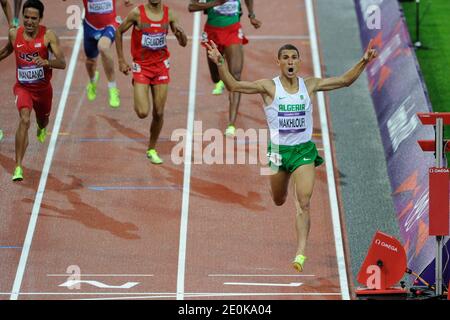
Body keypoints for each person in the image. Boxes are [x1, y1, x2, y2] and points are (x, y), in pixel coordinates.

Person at [205, 39, 377, 271]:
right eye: (285, 58)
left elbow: (344, 81)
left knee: (303, 202)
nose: (290, 61)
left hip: (303, 151)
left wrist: (364, 61)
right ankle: (281, 190)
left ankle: (300, 253)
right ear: (278, 62)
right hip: (277, 152)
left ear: (298, 62)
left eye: (294, 58)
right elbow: (234, 85)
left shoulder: (310, 85)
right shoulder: (268, 87)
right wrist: (220, 62)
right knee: (278, 199)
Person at [0, 0, 66, 181]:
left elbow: (62, 63)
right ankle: (18, 167)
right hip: (23, 88)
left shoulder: (48, 36)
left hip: (43, 91)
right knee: (24, 119)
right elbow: (7, 51)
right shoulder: (15, 34)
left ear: (41, 19)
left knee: (42, 121)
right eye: (26, 17)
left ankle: (42, 127)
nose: (29, 22)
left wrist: (47, 62)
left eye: (33, 18)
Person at [116, 0, 187, 164]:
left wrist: (181, 34)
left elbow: (183, 43)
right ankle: (138, 82)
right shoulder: (136, 13)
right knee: (142, 113)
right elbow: (119, 32)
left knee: (159, 112)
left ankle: (152, 149)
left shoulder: (170, 15)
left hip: (161, 67)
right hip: (142, 66)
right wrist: (121, 60)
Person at [188, 0, 261, 137]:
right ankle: (222, 74)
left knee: (236, 77)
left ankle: (231, 124)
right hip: (212, 32)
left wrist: (251, 15)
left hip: (233, 30)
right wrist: (216, 3)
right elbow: (191, 7)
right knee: (215, 77)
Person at [62, 0, 133, 108]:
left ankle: (113, 88)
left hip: (110, 25)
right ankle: (93, 80)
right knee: (90, 61)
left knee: (103, 47)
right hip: (90, 28)